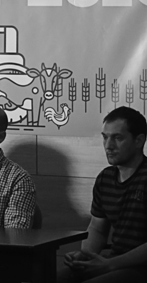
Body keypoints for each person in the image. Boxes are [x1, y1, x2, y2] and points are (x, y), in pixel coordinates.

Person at [58, 107, 147, 283]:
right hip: (113, 261)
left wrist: (110, 265)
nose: (108, 146)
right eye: (105, 137)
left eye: (117, 138)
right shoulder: (105, 178)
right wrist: (86, 255)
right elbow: (97, 228)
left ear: (139, 140)